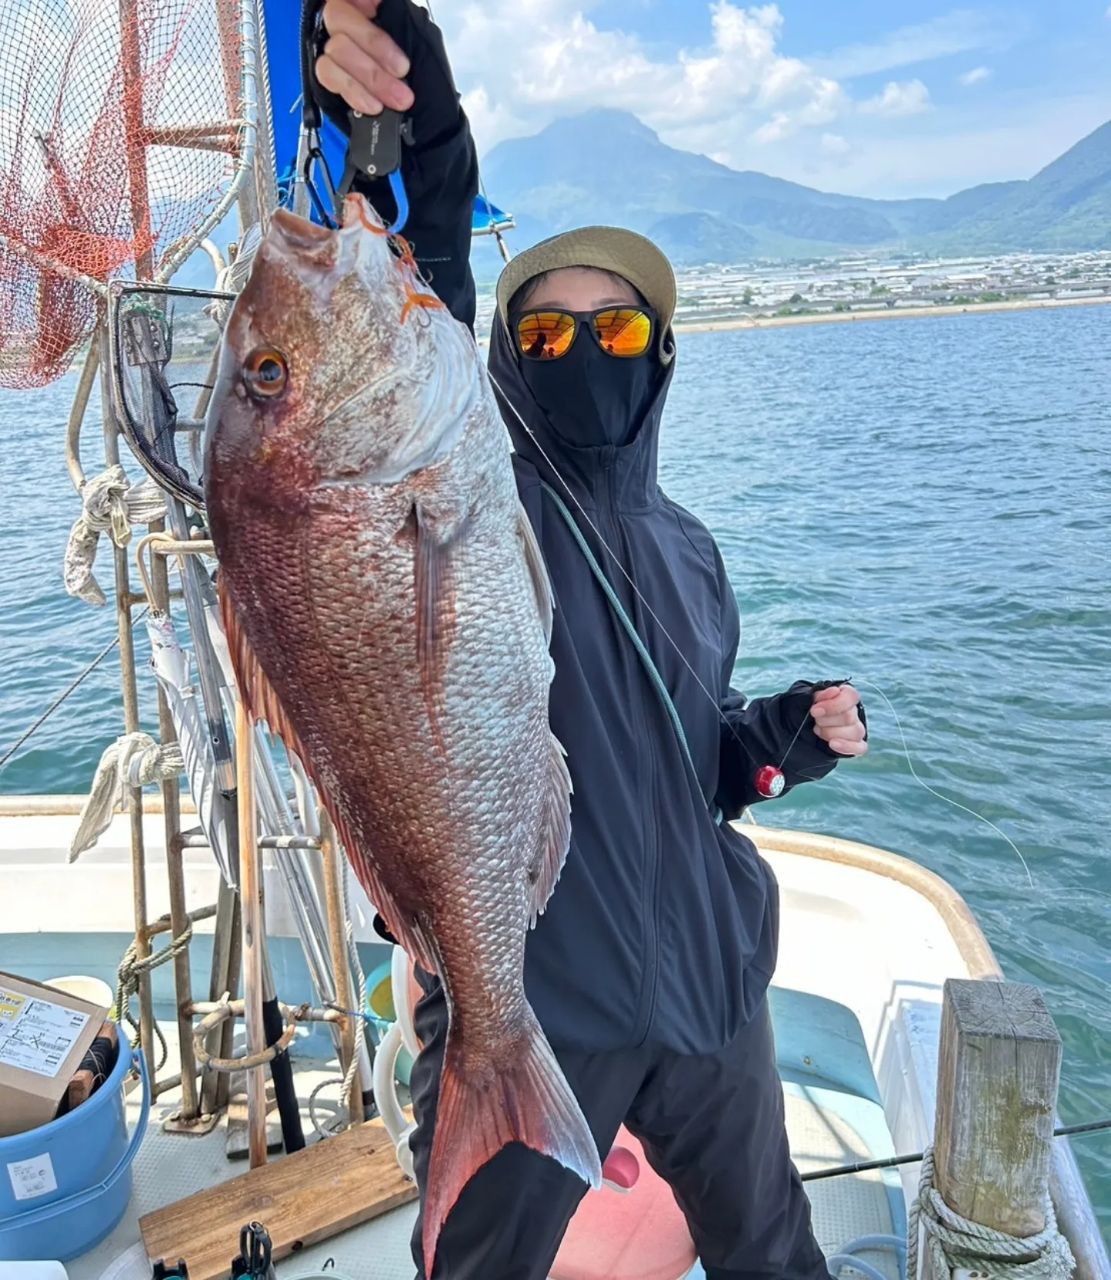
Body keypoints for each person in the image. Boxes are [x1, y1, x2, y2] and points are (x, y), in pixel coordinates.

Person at [311, 3, 869, 1277]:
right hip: (536, 1008)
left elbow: (692, 766)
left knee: (775, 1251)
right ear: (504, 357)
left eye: (612, 328)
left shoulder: (689, 546)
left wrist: (775, 742)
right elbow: (415, 298)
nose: (580, 349)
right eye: (545, 331)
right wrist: (413, 134)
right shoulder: (480, 484)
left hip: (712, 996)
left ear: (658, 356)